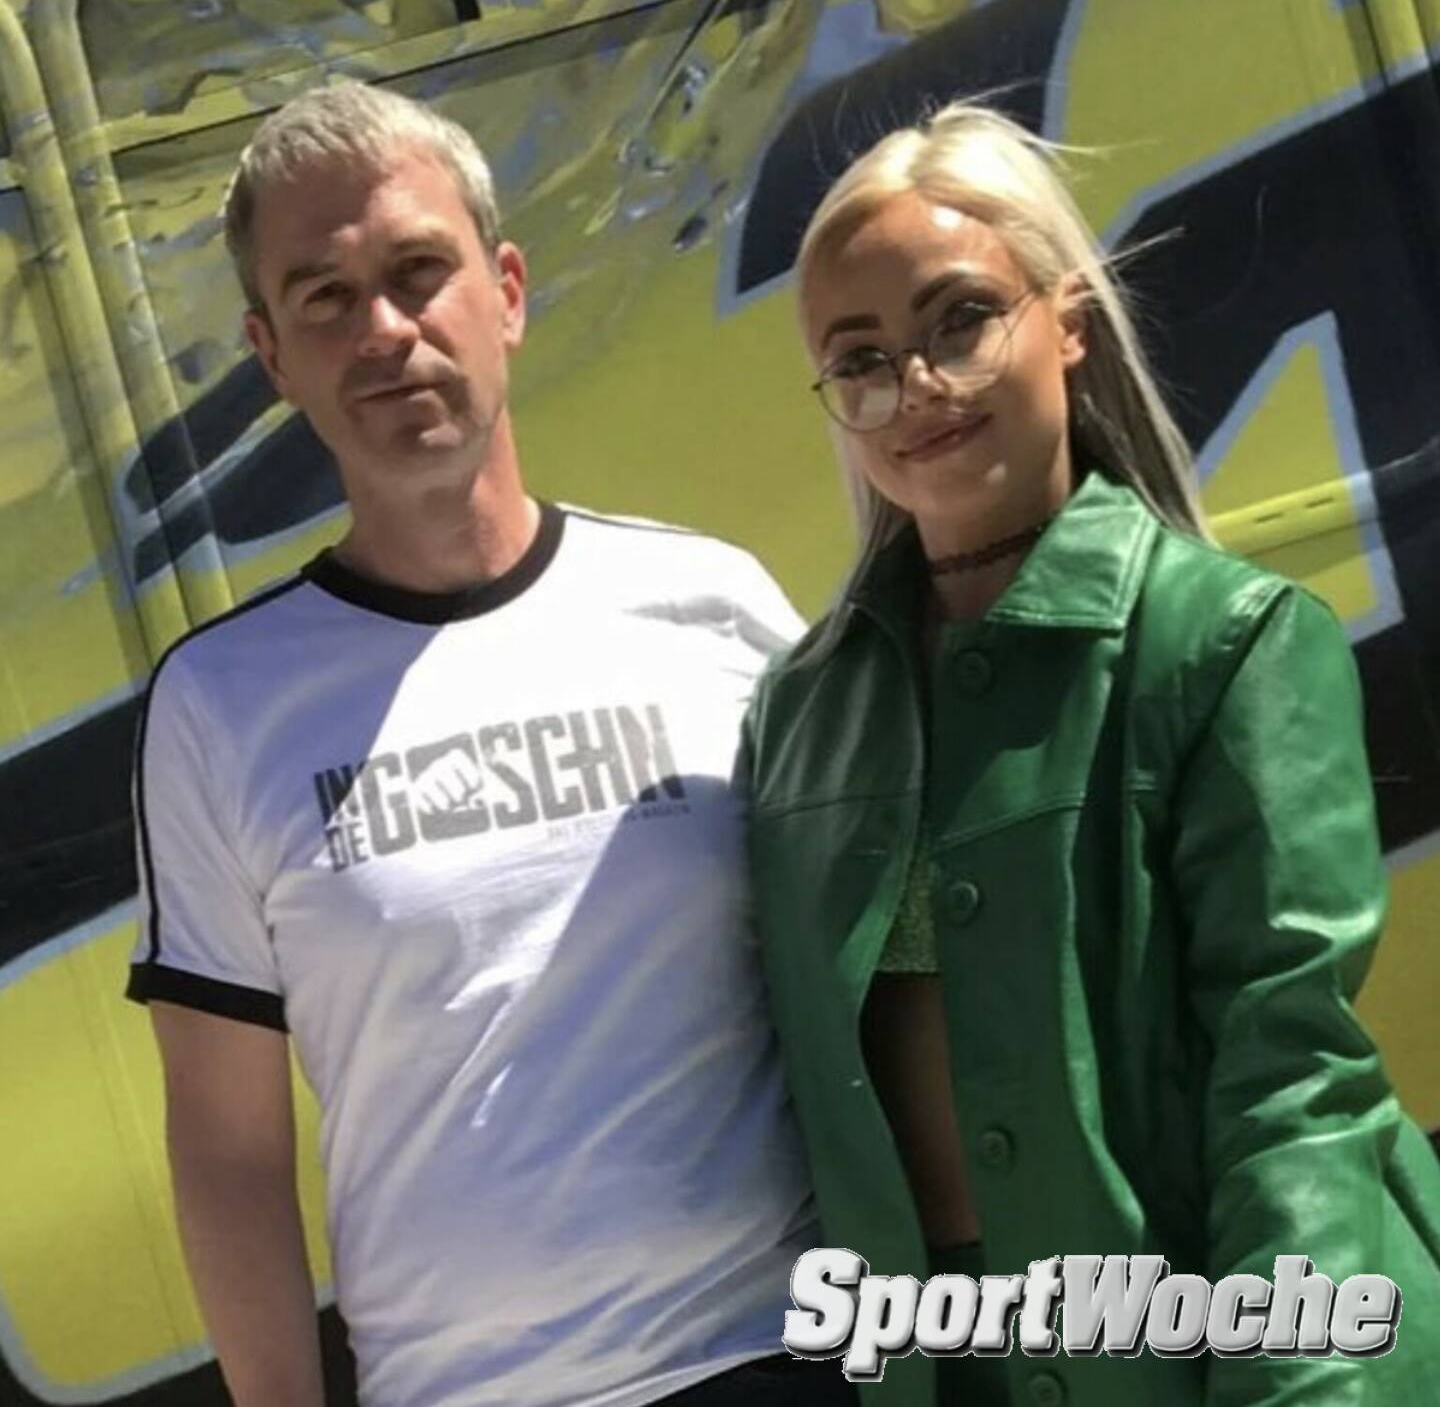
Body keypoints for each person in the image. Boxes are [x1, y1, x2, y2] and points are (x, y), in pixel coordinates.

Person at [126, 81, 853, 1407]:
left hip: (782, 1358)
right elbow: (229, 1155)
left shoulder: (713, 605)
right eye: (325, 297)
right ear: (271, 358)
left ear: (506, 291)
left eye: (419, 271)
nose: (384, 331)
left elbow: (878, 974)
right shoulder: (219, 706)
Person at [742, 102, 1440, 1406]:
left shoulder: (1226, 643)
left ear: (1066, 319)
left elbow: (1293, 1087)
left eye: (961, 319)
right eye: (862, 359)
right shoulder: (799, 718)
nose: (917, 386)